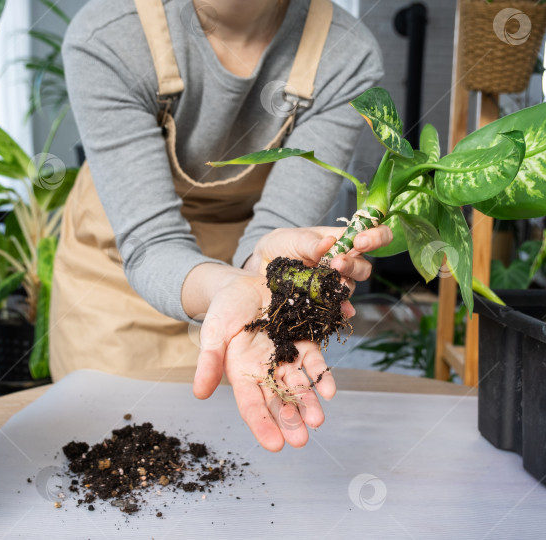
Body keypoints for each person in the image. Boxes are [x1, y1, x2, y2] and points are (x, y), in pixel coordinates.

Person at [50, 0, 391, 452]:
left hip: (248, 285)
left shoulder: (345, 55)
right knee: (119, 454)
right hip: (116, 283)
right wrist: (231, 287)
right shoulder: (110, 34)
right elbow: (152, 240)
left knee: (225, 458)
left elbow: (274, 233)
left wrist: (260, 281)